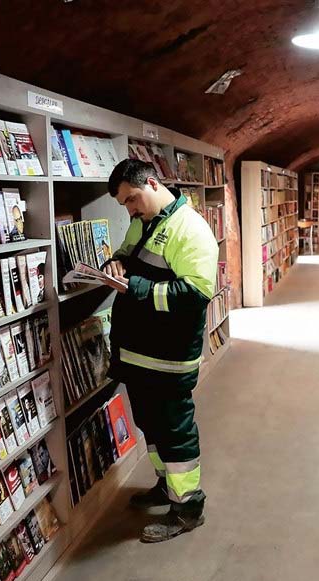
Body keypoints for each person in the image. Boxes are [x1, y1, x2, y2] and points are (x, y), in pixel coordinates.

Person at [103, 159, 218, 542]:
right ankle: (166, 484)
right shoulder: (143, 222)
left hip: (168, 358)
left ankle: (188, 507)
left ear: (152, 183)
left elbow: (195, 295)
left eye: (132, 199)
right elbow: (126, 256)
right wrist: (115, 264)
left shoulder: (191, 229)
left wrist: (133, 287)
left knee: (175, 432)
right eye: (124, 204)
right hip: (138, 354)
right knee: (149, 426)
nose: (130, 209)